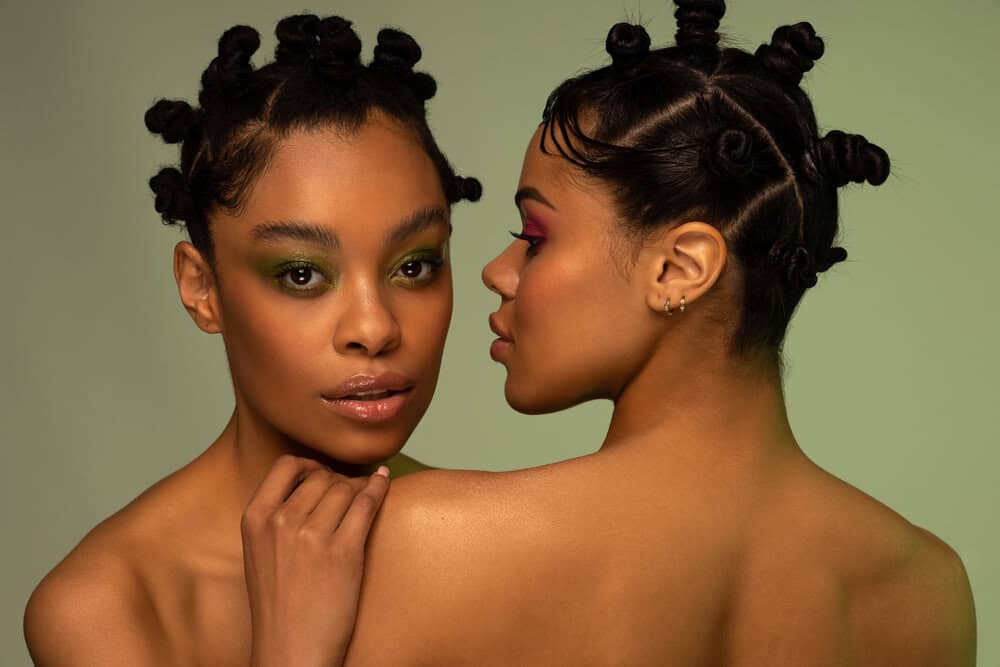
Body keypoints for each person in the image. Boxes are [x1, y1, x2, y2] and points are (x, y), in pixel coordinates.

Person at [243, 2, 977, 665]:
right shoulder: (926, 587)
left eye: (533, 234)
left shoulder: (428, 540)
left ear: (681, 268)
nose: (498, 271)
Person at [22, 14, 480, 666]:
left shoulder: (489, 538)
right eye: (301, 273)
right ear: (202, 287)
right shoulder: (108, 606)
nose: (374, 329)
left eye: (413, 265)